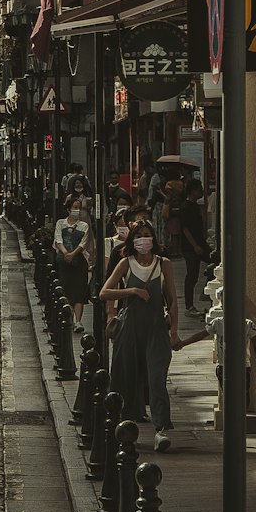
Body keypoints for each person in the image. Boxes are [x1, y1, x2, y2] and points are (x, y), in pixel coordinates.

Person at [101, 218, 180, 452]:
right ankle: (125, 429)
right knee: (125, 379)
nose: (143, 240)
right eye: (138, 236)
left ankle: (161, 430)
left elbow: (173, 301)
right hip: (130, 329)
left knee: (157, 379)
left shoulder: (163, 264)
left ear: (153, 238)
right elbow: (104, 292)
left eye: (146, 235)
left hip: (156, 329)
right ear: (132, 240)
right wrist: (133, 290)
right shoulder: (126, 263)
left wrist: (174, 331)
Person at [204, 285, 256, 409]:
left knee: (243, 399)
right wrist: (183, 343)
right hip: (224, 367)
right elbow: (202, 334)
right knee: (229, 398)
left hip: (243, 367)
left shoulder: (247, 324)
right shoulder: (217, 323)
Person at [53, 198, 91, 330]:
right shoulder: (60, 223)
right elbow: (58, 239)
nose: (77, 210)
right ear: (68, 209)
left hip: (79, 262)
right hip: (64, 262)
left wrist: (73, 254)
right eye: (75, 207)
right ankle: (68, 317)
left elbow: (83, 243)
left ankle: (78, 321)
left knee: (79, 291)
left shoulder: (84, 226)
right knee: (67, 289)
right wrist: (65, 253)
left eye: (79, 207)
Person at [180, 179, 208, 313]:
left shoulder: (196, 206)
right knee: (192, 275)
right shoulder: (185, 207)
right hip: (190, 247)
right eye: (199, 189)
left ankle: (206, 292)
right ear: (192, 191)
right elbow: (185, 229)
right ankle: (189, 306)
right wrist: (195, 245)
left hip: (201, 243)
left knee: (215, 262)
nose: (202, 191)